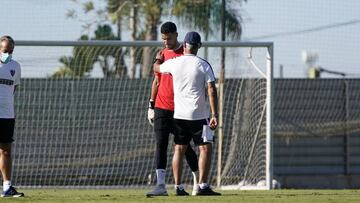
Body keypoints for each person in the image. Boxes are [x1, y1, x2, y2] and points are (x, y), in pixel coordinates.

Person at [153, 31, 221, 196]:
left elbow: (157, 69)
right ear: (199, 47)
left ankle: (178, 187)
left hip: (179, 115)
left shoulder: (174, 62)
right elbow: (211, 89)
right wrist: (214, 114)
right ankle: (202, 186)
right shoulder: (203, 64)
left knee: (179, 149)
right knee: (205, 148)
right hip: (199, 116)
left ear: (184, 45)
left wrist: (157, 59)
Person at [146, 22, 199, 197]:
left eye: (169, 38)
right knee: (160, 144)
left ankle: (197, 182)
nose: (166, 42)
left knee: (185, 147)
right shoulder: (161, 54)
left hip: (180, 109)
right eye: (163, 39)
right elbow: (156, 81)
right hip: (161, 107)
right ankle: (161, 185)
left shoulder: (185, 53)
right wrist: (151, 104)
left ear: (177, 35)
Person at [0, 36, 24, 198]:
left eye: (10, 51)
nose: (8, 54)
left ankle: (7, 187)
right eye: (4, 51)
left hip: (7, 115)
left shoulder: (15, 66)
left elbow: (12, 89)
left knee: (6, 151)